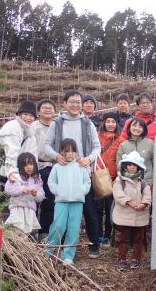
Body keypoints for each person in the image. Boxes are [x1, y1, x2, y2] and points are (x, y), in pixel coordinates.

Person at [44, 90, 101, 258]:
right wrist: (56, 156)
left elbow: (97, 147)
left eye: (78, 102)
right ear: (65, 104)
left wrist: (89, 160)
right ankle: (54, 247)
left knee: (90, 211)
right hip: (62, 173)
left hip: (82, 172)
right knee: (59, 215)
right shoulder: (57, 123)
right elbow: (46, 145)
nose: (76, 105)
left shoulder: (87, 123)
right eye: (72, 102)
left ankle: (93, 244)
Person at [46, 138, 91, 265]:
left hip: (77, 201)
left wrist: (82, 191)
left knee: (73, 228)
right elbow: (51, 182)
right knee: (58, 226)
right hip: (61, 201)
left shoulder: (80, 166)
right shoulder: (57, 167)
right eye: (67, 151)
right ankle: (50, 251)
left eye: (73, 151)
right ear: (62, 152)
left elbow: (87, 182)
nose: (70, 154)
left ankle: (68, 255)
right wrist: (58, 191)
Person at [0, 100, 38, 186]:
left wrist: (35, 176)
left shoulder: (30, 134)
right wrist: (12, 172)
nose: (28, 118)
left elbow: (32, 156)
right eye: (25, 114)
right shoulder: (13, 127)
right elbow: (12, 151)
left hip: (10, 170)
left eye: (31, 115)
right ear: (19, 114)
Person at [112, 151, 151, 272]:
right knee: (124, 239)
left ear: (138, 167)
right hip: (124, 215)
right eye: (129, 164)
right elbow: (118, 194)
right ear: (125, 166)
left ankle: (136, 258)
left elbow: (147, 195)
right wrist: (128, 201)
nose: (132, 167)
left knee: (138, 238)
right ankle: (122, 259)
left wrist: (143, 204)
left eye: (134, 165)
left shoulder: (143, 183)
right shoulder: (119, 180)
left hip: (140, 214)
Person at [96, 112, 125, 246]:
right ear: (103, 123)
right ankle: (97, 235)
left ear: (117, 124)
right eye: (108, 121)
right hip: (97, 177)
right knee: (97, 209)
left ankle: (107, 236)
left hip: (112, 178)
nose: (110, 124)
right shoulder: (96, 137)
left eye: (113, 122)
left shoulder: (120, 140)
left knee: (109, 209)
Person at [32, 99, 56, 241]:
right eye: (44, 108)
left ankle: (44, 231)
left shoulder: (57, 126)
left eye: (50, 108)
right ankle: (32, 230)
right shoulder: (33, 127)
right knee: (33, 200)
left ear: (55, 111)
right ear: (38, 112)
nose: (47, 110)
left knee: (50, 200)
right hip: (36, 167)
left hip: (53, 166)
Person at [4, 152, 44, 236]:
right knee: (16, 228)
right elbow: (8, 189)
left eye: (31, 164)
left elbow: (41, 195)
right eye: (25, 165)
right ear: (20, 166)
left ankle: (23, 246)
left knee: (27, 231)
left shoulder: (37, 179)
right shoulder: (16, 176)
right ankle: (13, 245)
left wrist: (35, 194)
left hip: (30, 210)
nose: (29, 167)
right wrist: (21, 190)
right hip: (17, 207)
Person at [117, 118, 154, 185]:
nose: (137, 128)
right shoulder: (123, 145)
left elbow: (155, 163)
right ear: (129, 128)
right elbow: (119, 166)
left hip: (147, 182)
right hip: (128, 183)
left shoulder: (150, 143)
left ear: (143, 129)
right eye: (134, 126)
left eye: (140, 127)